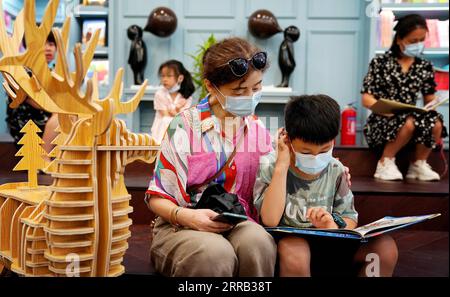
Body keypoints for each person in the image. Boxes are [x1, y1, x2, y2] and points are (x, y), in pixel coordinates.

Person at [146, 38, 277, 277]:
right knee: (215, 253)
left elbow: (270, 189)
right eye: (239, 90)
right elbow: (157, 197)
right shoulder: (185, 127)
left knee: (259, 242)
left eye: (256, 88)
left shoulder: (258, 131)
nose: (249, 96)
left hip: (237, 221)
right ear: (210, 85)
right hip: (182, 223)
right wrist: (188, 216)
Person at [254, 95, 398, 277]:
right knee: (296, 249)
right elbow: (270, 220)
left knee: (384, 247)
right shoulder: (271, 165)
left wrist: (331, 225)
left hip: (329, 247)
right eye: (306, 152)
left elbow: (350, 219)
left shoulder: (335, 169)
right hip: (289, 251)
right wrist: (282, 166)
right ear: (287, 140)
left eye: (324, 150)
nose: (316, 157)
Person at [361, 14, 447, 181]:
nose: (418, 45)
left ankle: (418, 164)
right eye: (413, 41)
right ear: (399, 40)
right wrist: (386, 111)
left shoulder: (424, 66)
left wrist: (435, 103)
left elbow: (430, 100)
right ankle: (385, 162)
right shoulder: (381, 63)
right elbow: (367, 98)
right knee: (408, 122)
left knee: (436, 122)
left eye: (421, 40)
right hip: (383, 120)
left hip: (412, 118)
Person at [6, 31, 58, 159]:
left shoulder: (51, 72)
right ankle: (43, 157)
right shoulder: (22, 71)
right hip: (28, 125)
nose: (48, 48)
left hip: (45, 121)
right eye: (42, 44)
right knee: (62, 115)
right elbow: (38, 102)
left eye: (51, 43)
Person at [150, 60, 194, 143]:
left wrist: (175, 112)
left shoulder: (186, 97)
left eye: (169, 76)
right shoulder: (159, 94)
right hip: (161, 133)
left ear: (180, 78)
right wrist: (177, 109)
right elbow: (166, 116)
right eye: (162, 76)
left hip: (179, 134)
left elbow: (184, 118)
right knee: (166, 120)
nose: (164, 79)